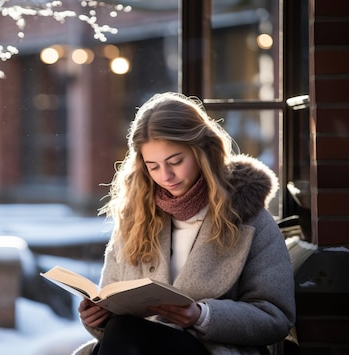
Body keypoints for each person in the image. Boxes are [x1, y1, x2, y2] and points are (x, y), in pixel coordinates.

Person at [73, 92, 296, 355]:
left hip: (209, 348)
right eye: (153, 167)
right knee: (120, 329)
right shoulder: (135, 219)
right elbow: (114, 305)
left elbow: (275, 317)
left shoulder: (250, 220)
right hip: (134, 344)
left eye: (175, 161)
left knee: (124, 331)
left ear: (202, 151)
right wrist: (98, 319)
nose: (166, 176)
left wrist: (201, 315)